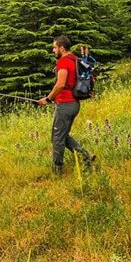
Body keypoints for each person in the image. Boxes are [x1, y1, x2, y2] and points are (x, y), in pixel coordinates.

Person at [39, 35, 95, 174]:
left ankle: (57, 171)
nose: (53, 50)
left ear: (62, 48)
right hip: (74, 103)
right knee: (63, 135)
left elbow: (60, 84)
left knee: (57, 138)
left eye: (55, 47)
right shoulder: (75, 59)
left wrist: (48, 98)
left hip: (65, 104)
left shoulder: (63, 61)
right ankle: (86, 156)